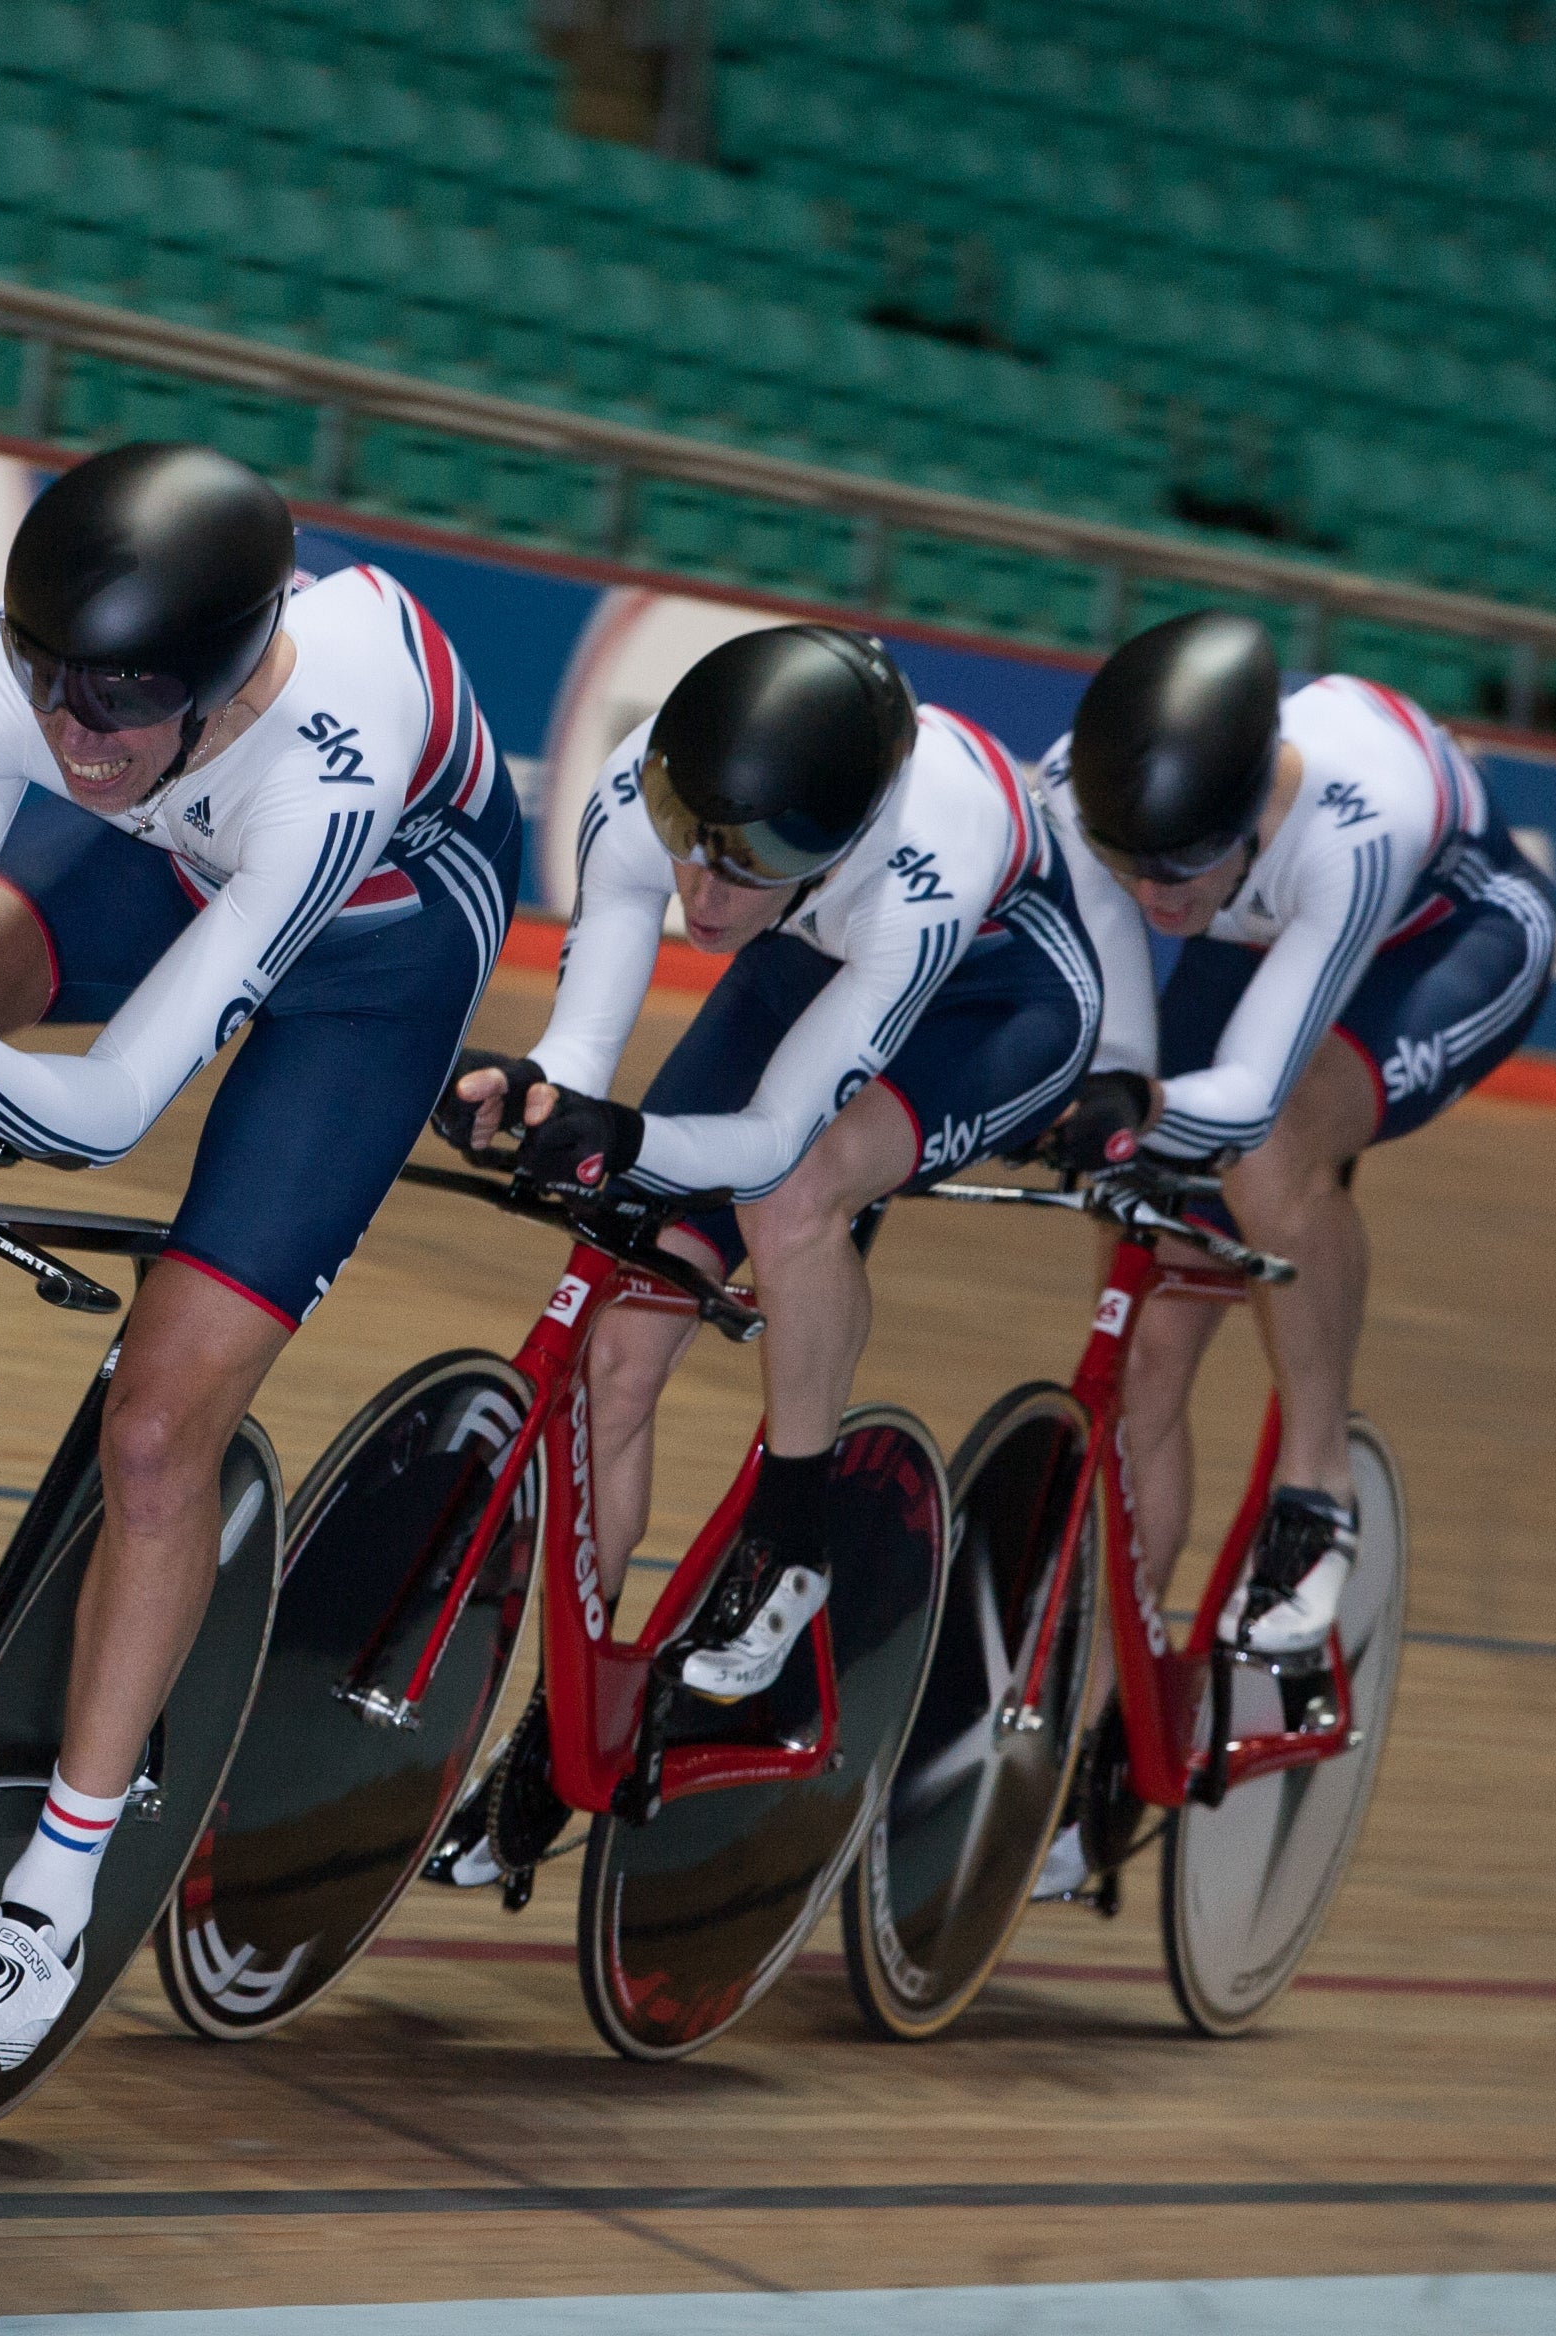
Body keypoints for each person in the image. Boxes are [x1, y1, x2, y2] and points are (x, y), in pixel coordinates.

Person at [0, 442, 519, 2072]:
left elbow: (111, 1104)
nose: (66, 733)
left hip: (380, 942)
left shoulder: (325, 762)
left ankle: (48, 1903)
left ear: (215, 688)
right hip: (178, 856)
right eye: (47, 689)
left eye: (110, 708)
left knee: (155, 1430)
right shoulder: (28, 678)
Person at [428, 626, 1103, 1885]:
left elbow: (775, 1136)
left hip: (1003, 1003)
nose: (704, 891)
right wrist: (540, 1097)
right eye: (692, 837)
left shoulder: (921, 867)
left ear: (836, 844)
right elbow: (587, 1043)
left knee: (793, 1194)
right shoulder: (656, 793)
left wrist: (624, 1134)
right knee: (621, 1354)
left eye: (748, 862)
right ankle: (565, 1716)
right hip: (808, 963)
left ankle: (792, 1536)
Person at [1038, 610, 1555, 1695]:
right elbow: (1123, 1023)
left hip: (1446, 935)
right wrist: (1113, 1097)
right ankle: (1094, 1723)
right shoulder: (1088, 795)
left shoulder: (1351, 827)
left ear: (1245, 815)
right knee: (1143, 1360)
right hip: (1256, 931)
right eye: (1128, 859)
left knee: (1270, 1146)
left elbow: (1246, 1097)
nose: (1150, 892)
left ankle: (1317, 1489)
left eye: (1177, 862)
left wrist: (1143, 1104)